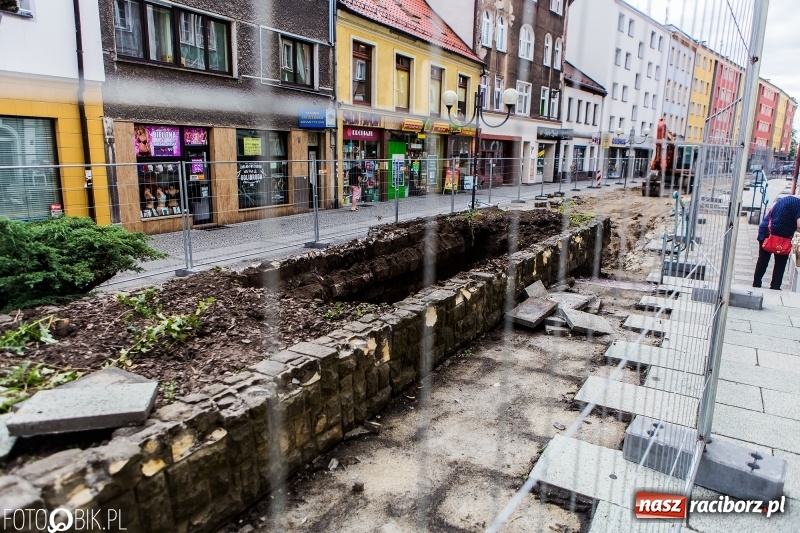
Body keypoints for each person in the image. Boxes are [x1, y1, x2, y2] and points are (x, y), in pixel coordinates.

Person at [753, 195, 800, 290]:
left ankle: (756, 284)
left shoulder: (788, 199)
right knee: (781, 261)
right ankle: (775, 287)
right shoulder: (799, 205)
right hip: (778, 235)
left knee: (763, 259)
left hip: (766, 230)